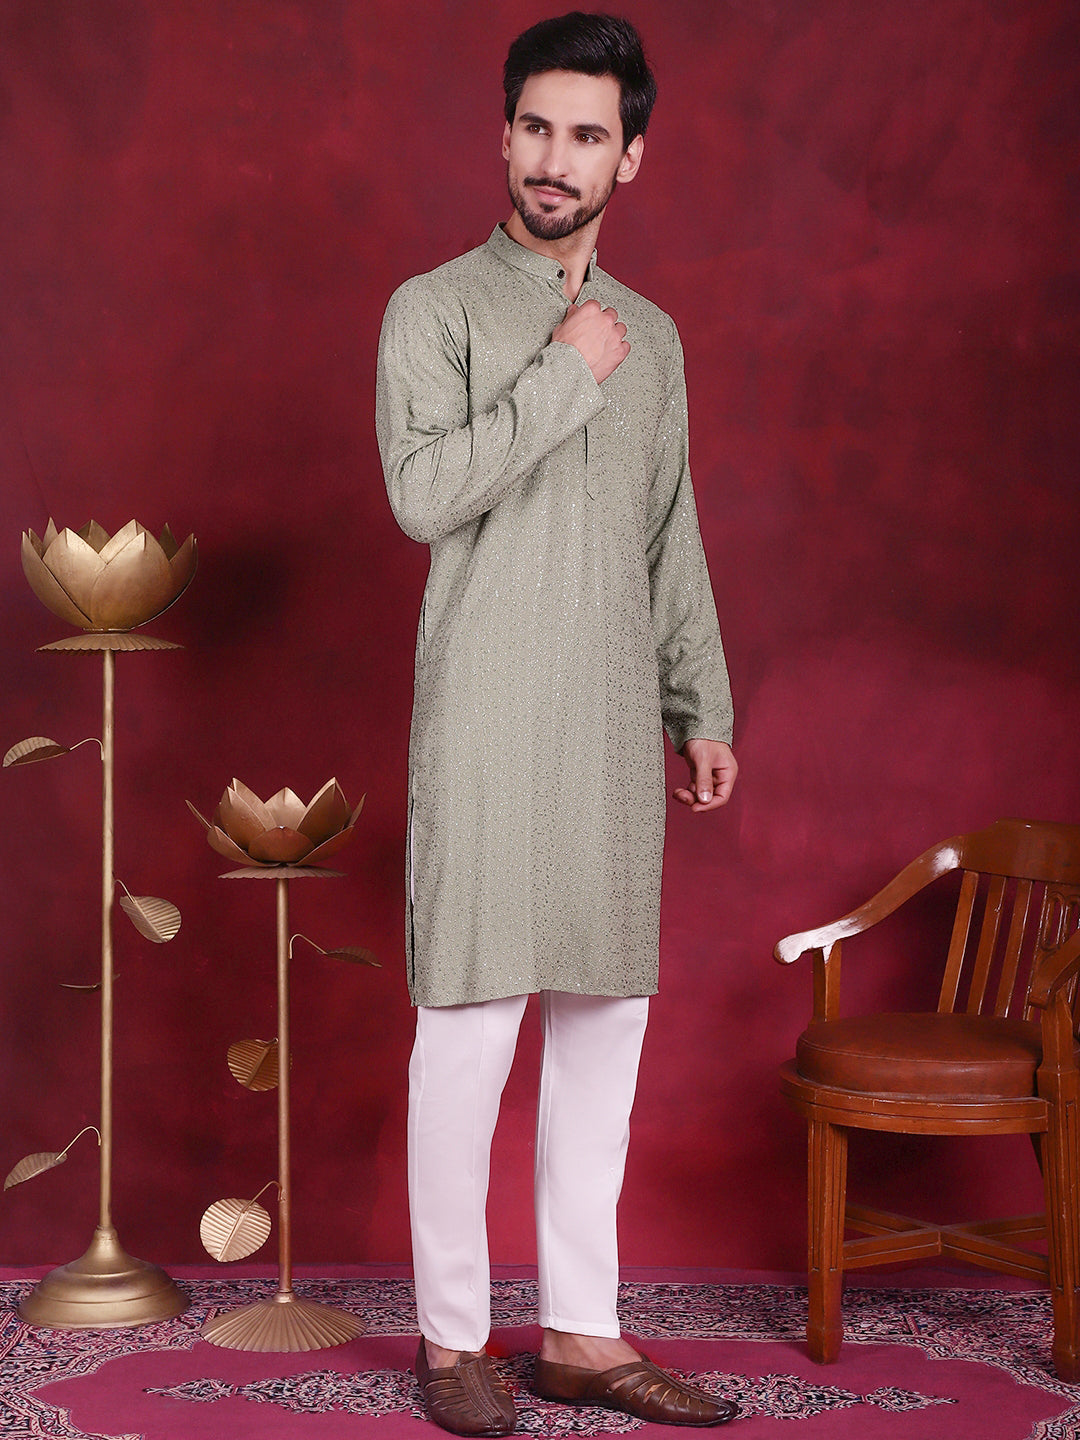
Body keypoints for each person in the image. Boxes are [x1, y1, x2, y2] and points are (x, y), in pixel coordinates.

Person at [376, 12, 738, 1434]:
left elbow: (669, 533)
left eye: (588, 134)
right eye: (536, 126)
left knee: (602, 1032)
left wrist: (698, 703)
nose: (555, 157)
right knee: (466, 1035)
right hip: (481, 719)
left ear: (628, 158)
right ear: (504, 134)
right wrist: (565, 371)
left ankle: (585, 1334)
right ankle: (452, 1341)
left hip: (607, 734)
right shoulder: (433, 310)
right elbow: (425, 494)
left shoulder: (656, 340)